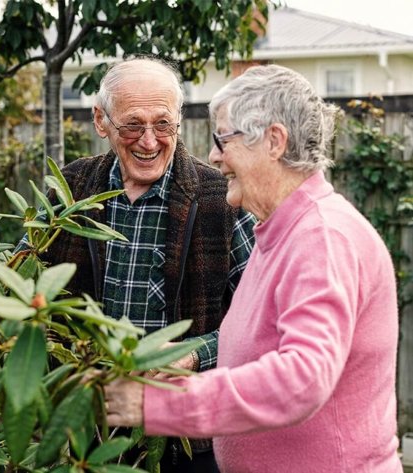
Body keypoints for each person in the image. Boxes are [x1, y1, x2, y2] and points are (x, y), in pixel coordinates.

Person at [103, 64, 403, 473]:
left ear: (274, 142)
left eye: (223, 139)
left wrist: (152, 404)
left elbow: (302, 378)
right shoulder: (280, 231)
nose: (213, 156)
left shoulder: (322, 237)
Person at [42, 56, 256, 472]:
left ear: (179, 121)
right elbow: (24, 283)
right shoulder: (72, 188)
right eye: (132, 125)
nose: (148, 141)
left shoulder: (219, 198)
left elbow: (260, 318)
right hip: (85, 429)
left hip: (188, 438)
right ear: (101, 121)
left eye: (163, 124)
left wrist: (195, 356)